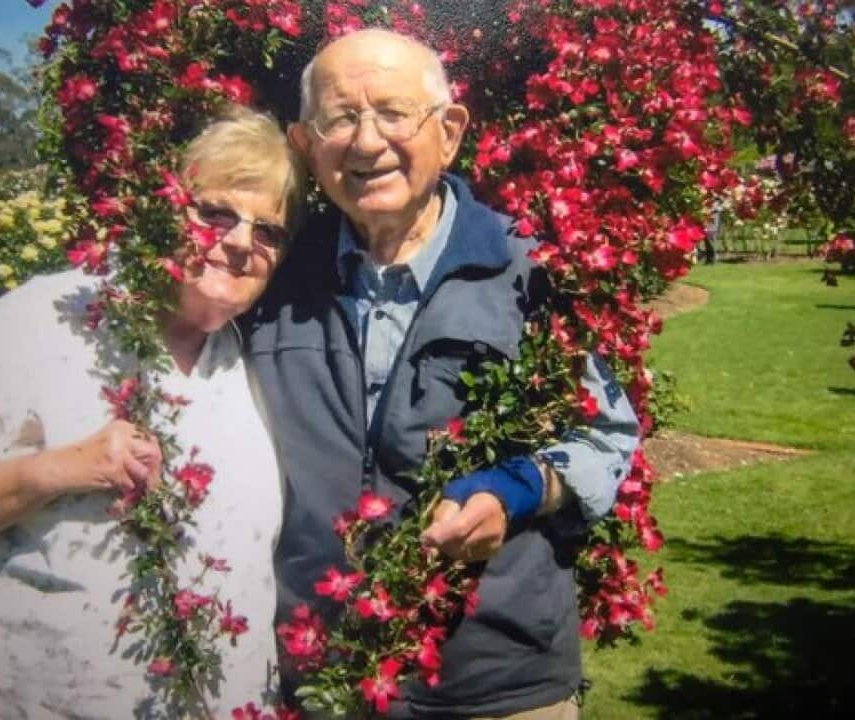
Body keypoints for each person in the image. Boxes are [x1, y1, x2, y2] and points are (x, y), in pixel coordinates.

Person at [246, 30, 640, 718]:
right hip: (323, 687)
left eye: (394, 113)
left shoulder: (529, 273)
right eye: (340, 119)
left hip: (495, 688)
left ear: (449, 131)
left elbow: (606, 436)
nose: (367, 143)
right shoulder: (270, 277)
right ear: (306, 145)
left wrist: (518, 488)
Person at [0, 107, 305, 719]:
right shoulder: (44, 318)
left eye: (268, 231)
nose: (241, 242)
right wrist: (53, 471)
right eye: (215, 213)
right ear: (166, 208)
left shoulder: (251, 358)